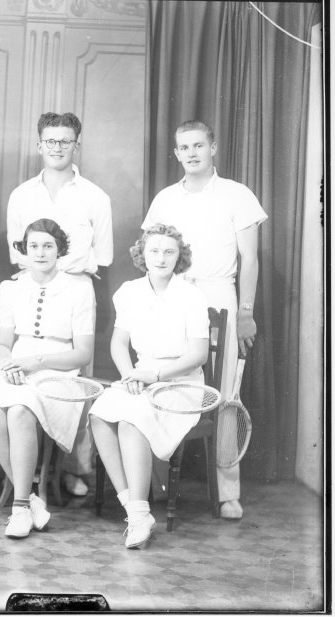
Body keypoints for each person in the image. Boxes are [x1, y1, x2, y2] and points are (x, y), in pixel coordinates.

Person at [142, 120, 267, 520]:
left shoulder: (237, 195)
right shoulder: (164, 198)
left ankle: (228, 492)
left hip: (219, 294)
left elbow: (251, 258)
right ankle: (158, 485)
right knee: (163, 379)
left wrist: (245, 312)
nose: (192, 153)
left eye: (199, 145)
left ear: (213, 147)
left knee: (226, 390)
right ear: (176, 153)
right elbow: (153, 254)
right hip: (171, 292)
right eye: (184, 147)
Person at [5, 112, 113, 497]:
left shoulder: (96, 197)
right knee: (24, 388)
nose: (57, 148)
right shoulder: (21, 196)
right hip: (33, 288)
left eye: (65, 141)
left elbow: (104, 256)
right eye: (50, 141)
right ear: (39, 145)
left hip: (76, 296)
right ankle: (28, 470)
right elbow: (16, 253)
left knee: (78, 386)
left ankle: (75, 469)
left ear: (76, 145)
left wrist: (66, 276)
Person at [88, 224, 209, 549]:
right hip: (139, 377)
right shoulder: (129, 291)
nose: (161, 257)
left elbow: (197, 355)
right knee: (99, 414)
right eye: (154, 250)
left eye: (169, 251)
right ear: (143, 254)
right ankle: (136, 510)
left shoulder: (192, 296)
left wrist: (154, 377)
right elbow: (118, 345)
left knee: (131, 420)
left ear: (179, 257)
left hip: (180, 383)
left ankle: (139, 515)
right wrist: (130, 375)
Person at [0, 219, 95, 538]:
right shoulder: (11, 288)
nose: (41, 252)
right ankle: (30, 499)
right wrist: (9, 364)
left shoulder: (80, 289)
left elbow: (83, 353)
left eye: (48, 246)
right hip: (16, 366)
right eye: (34, 246)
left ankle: (19, 508)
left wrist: (37, 361)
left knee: (19, 411)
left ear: (60, 250)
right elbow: (1, 346)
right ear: (24, 250)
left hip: (59, 372)